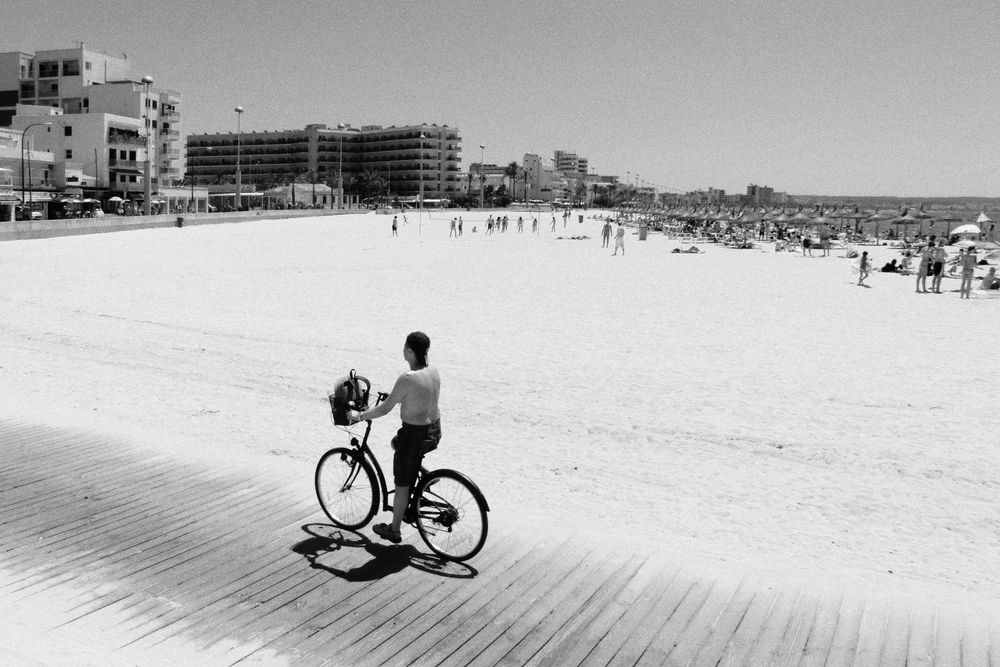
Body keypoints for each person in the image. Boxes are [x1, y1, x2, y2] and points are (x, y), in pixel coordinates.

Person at [347, 332, 441, 544]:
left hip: (414, 435)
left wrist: (359, 416)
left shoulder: (407, 378)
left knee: (402, 485)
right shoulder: (432, 370)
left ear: (409, 350)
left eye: (404, 346)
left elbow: (384, 410)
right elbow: (417, 396)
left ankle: (394, 530)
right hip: (434, 430)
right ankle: (426, 477)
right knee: (396, 443)